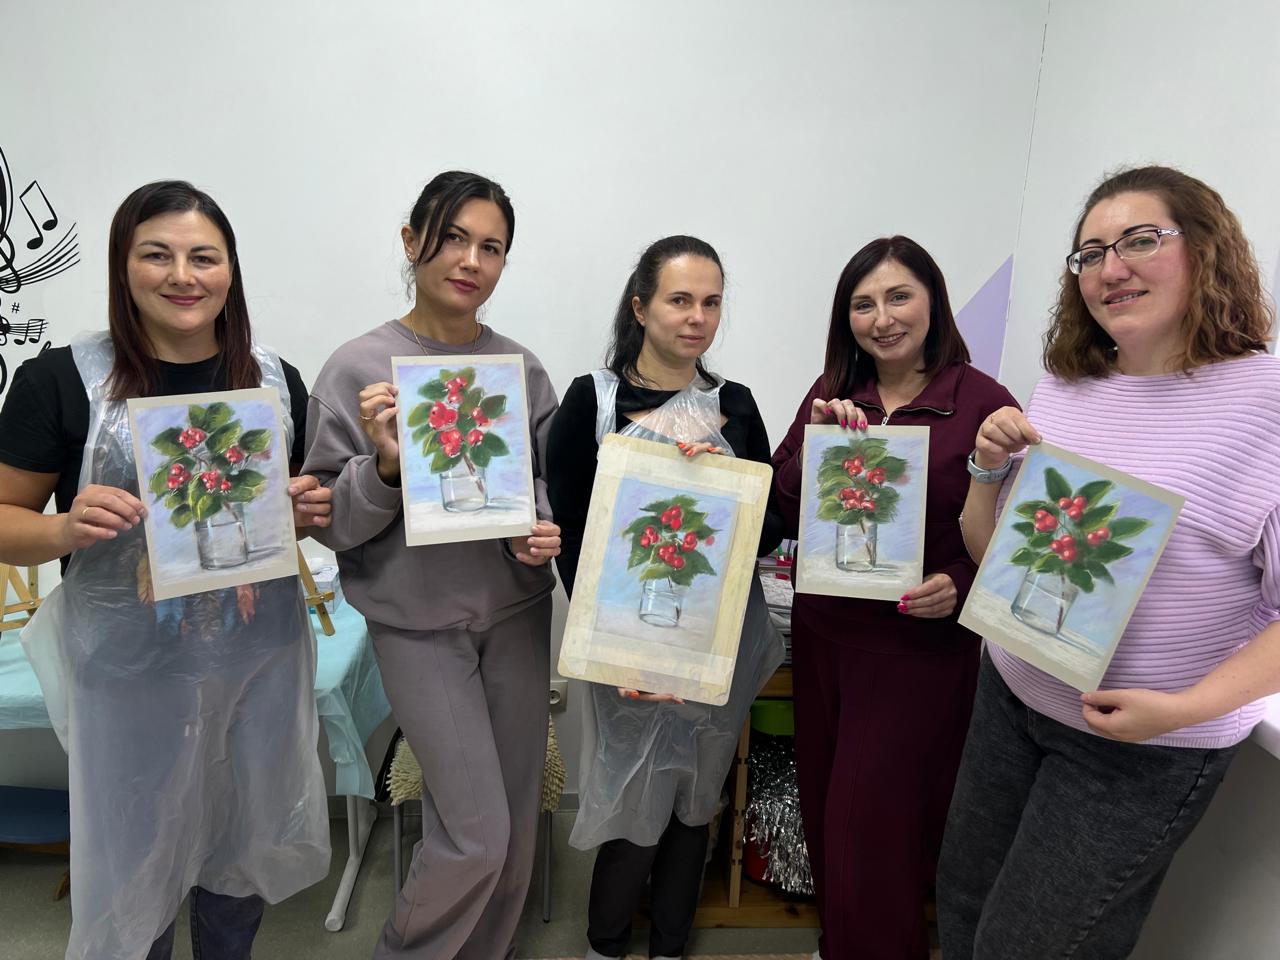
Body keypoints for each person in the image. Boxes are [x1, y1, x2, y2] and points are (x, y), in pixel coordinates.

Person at [936, 165, 1280, 959]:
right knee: (960, 904)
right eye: (1090, 253)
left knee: (1028, 947)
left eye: (1140, 241)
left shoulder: (1266, 403)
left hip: (1140, 750)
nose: (1110, 268)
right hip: (1010, 698)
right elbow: (998, 562)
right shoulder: (1067, 385)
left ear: (1207, 250)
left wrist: (1185, 709)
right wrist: (988, 472)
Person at [0, 180, 332, 960]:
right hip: (129, 676)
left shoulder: (274, 381)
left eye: (203, 257)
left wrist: (308, 510)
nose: (183, 276)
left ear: (230, 270)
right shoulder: (63, 381)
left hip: (256, 663)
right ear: (123, 266)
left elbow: (293, 507)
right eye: (157, 255)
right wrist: (63, 528)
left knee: (241, 851)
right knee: (134, 865)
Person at [302, 170, 561, 960]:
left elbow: (543, 487)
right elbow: (331, 524)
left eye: (492, 247)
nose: (471, 260)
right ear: (412, 241)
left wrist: (537, 530)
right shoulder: (357, 368)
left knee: (513, 832)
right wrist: (384, 466)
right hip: (417, 629)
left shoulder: (520, 369)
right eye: (452, 238)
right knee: (476, 835)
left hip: (516, 616)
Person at [770, 236, 1017, 960]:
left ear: (933, 300)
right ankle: (841, 942)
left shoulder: (982, 402)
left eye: (899, 296)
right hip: (825, 635)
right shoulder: (833, 391)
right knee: (827, 814)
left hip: (919, 651)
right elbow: (779, 508)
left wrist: (962, 585)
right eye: (863, 304)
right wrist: (814, 444)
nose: (882, 318)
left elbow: (1017, 542)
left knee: (874, 833)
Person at [547, 234, 785, 960]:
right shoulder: (594, 401)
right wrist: (612, 655)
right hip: (626, 641)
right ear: (640, 306)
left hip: (713, 639)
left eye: (711, 302)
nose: (697, 317)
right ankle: (606, 944)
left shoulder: (734, 405)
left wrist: (724, 480)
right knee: (630, 798)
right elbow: (573, 534)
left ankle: (671, 946)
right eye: (680, 300)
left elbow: (771, 528)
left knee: (696, 798)